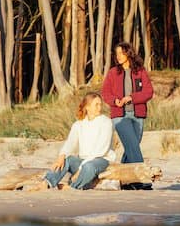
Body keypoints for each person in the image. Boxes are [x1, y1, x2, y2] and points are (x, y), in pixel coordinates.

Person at [100, 42, 154, 181]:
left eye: (121, 53)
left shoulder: (140, 71)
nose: (118, 56)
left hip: (138, 115)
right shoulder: (113, 73)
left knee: (131, 147)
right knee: (133, 146)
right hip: (120, 116)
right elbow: (105, 92)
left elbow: (148, 92)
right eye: (116, 53)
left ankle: (124, 180)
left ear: (128, 53)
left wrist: (131, 98)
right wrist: (114, 101)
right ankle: (143, 179)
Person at [45, 92, 121, 190]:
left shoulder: (106, 122)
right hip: (83, 161)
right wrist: (61, 156)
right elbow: (70, 143)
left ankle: (73, 187)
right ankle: (47, 183)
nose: (99, 108)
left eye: (100, 104)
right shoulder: (78, 124)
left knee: (89, 166)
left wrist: (80, 169)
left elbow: (101, 150)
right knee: (67, 160)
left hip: (101, 160)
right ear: (87, 107)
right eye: (96, 105)